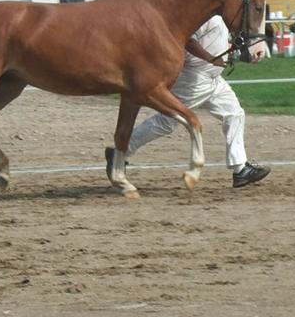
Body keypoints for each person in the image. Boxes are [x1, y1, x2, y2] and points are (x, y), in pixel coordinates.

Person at [104, 14, 270, 189]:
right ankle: (120, 152)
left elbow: (215, 41)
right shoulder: (204, 16)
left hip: (213, 78)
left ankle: (240, 169)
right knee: (167, 121)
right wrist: (210, 58)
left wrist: (235, 50)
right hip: (195, 79)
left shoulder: (218, 14)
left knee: (234, 114)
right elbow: (189, 42)